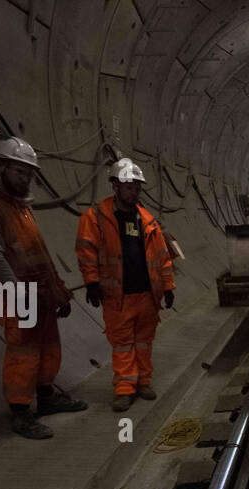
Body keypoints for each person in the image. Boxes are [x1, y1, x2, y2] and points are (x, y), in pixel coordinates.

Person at [0, 136, 85, 439]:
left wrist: (58, 290)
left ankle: (46, 397)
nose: (26, 178)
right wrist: (16, 293)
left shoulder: (19, 207)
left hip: (39, 294)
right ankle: (20, 412)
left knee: (48, 347)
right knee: (24, 352)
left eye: (29, 173)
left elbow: (38, 254)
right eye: (19, 171)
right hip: (15, 294)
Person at [75, 158, 176, 412]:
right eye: (128, 186)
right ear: (115, 186)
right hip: (116, 295)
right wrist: (91, 282)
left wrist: (168, 286)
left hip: (146, 295)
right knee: (122, 345)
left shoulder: (147, 220)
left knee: (143, 342)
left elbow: (161, 257)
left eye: (137, 187)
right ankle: (124, 389)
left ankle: (143, 383)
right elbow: (86, 251)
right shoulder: (96, 218)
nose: (134, 192)